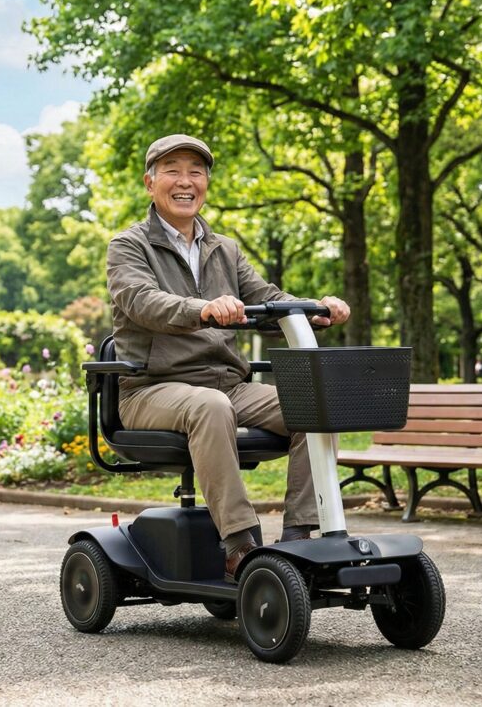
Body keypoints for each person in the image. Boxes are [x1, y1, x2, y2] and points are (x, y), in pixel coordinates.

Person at [107, 134, 351, 583]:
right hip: (152, 387)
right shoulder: (128, 246)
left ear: (206, 184)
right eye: (172, 170)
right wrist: (201, 309)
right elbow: (141, 301)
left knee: (315, 404)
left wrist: (316, 308)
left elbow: (267, 299)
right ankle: (241, 545)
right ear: (150, 182)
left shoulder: (225, 249)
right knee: (210, 406)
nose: (185, 181)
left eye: (195, 172)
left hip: (227, 384)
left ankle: (299, 538)